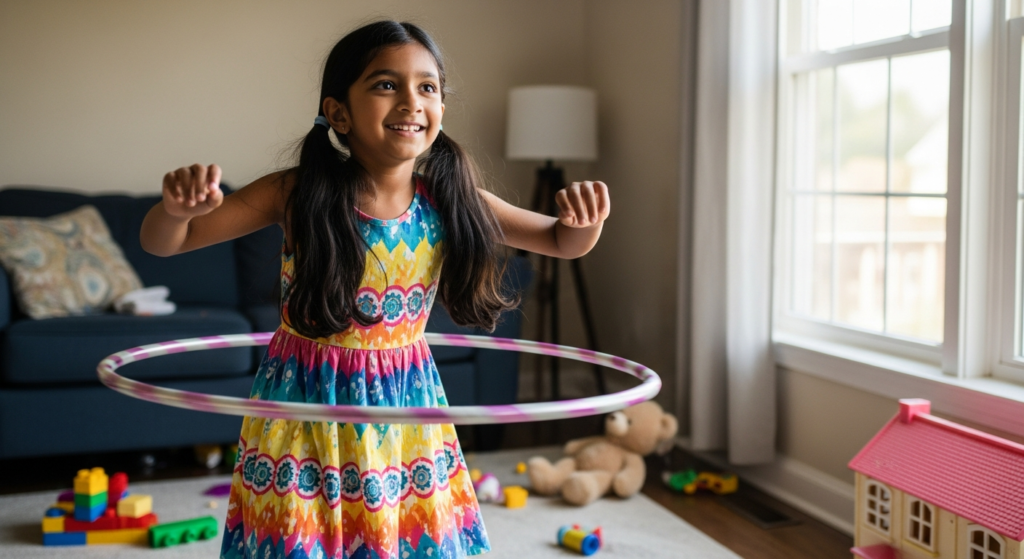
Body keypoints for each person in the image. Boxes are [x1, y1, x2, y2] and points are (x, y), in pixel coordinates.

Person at [140, 20, 610, 559]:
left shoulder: (449, 195)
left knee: (397, 532)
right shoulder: (297, 192)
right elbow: (166, 244)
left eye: (427, 87)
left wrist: (584, 222)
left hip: (404, 399)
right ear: (338, 111)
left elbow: (560, 241)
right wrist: (175, 213)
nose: (412, 101)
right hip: (306, 399)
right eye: (387, 84)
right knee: (299, 532)